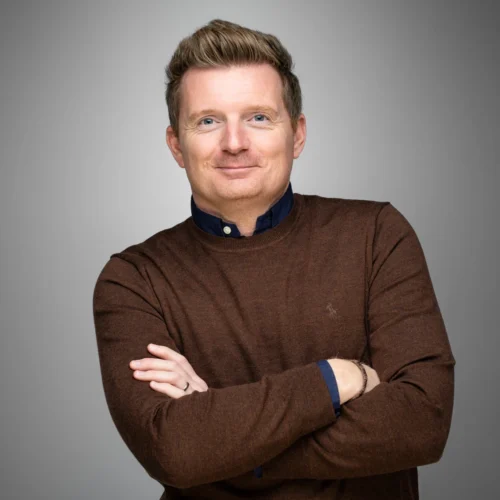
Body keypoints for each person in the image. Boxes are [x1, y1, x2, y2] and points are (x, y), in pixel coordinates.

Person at [92, 18, 456, 500]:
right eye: (208, 121)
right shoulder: (133, 279)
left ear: (297, 135)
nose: (234, 142)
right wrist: (337, 378)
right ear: (177, 145)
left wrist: (221, 437)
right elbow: (175, 450)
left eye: (259, 118)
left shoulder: (376, 235)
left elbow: (422, 423)